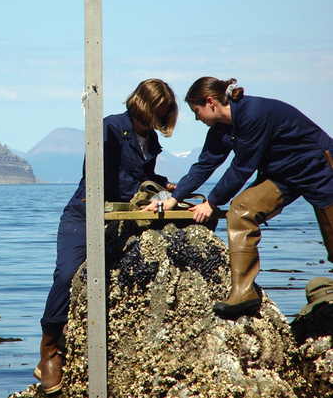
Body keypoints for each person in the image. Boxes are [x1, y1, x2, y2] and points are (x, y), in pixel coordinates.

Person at [143, 76, 333, 318]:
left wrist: (211, 203)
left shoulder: (254, 114)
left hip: (319, 168)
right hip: (281, 176)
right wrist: (172, 199)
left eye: (196, 110)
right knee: (241, 209)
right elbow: (204, 165)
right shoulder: (219, 129)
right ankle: (244, 293)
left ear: (210, 102)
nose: (196, 118)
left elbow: (243, 167)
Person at [36, 79, 178, 394]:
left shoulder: (151, 139)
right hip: (84, 214)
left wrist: (162, 185)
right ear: (146, 105)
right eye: (160, 111)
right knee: (67, 275)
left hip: (119, 217)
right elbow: (98, 174)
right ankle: (48, 349)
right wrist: (145, 191)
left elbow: (139, 176)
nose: (162, 118)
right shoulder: (110, 128)